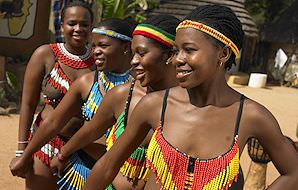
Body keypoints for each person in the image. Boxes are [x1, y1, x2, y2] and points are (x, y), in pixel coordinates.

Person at [82, 5, 298, 190]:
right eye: (176, 51)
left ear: (223, 54)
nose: (178, 60)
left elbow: (293, 173)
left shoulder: (250, 115)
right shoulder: (155, 106)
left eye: (189, 50)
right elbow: (108, 166)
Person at [49, 15, 180, 190]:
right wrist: (62, 155)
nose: (133, 61)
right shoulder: (123, 95)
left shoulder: (188, 107)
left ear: (170, 55)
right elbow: (91, 131)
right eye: (134, 54)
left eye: (141, 53)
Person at [9, 16, 134, 189]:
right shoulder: (88, 82)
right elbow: (53, 122)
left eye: (103, 46)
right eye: (94, 46)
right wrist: (24, 154)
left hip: (124, 171)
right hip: (80, 166)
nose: (96, 51)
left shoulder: (141, 86)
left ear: (126, 48)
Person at [8, 1, 95, 189]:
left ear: (91, 27)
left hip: (85, 149)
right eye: (72, 23)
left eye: (84, 24)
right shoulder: (45, 55)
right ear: (62, 25)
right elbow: (28, 105)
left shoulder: (99, 60)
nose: (78, 29)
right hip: (45, 145)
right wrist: (22, 151)